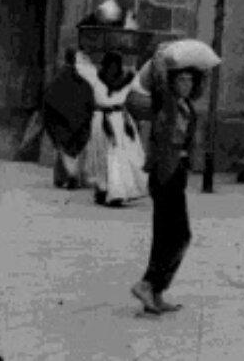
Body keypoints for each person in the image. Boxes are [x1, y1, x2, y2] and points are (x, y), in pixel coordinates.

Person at [131, 54, 201, 316]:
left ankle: (156, 293)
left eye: (190, 80)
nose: (187, 84)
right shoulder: (166, 102)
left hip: (177, 172)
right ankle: (147, 284)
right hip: (164, 174)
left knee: (172, 234)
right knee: (175, 234)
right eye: (182, 79)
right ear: (172, 82)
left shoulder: (186, 105)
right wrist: (162, 57)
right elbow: (160, 80)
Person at [75, 50, 148, 207]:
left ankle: (115, 191)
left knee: (114, 157)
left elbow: (143, 89)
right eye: (111, 66)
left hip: (115, 121)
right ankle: (107, 190)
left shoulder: (120, 80)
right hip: (106, 121)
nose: (113, 70)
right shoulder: (103, 79)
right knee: (106, 156)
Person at [41, 47, 95, 189]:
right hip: (77, 121)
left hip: (60, 121)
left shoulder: (58, 78)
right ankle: (72, 176)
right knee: (74, 150)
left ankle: (62, 177)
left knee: (62, 149)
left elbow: (48, 99)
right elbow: (88, 100)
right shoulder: (82, 80)